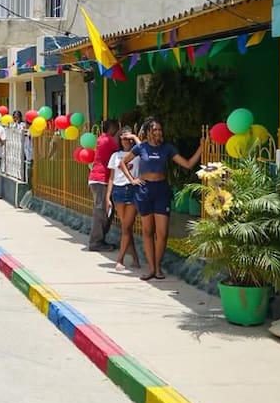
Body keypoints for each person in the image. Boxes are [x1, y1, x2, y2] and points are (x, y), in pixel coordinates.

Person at [119, 118, 204, 281]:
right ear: (149, 132)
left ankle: (158, 267)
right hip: (144, 190)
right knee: (147, 231)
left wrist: (202, 147)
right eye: (155, 129)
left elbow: (187, 164)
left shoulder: (167, 148)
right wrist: (132, 179)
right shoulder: (141, 147)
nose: (159, 132)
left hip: (161, 190)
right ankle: (151, 268)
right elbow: (123, 162)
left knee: (162, 233)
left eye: (160, 129)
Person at [105, 127, 143, 272]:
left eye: (128, 138)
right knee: (126, 227)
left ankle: (120, 259)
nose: (126, 141)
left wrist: (134, 137)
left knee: (126, 227)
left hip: (133, 190)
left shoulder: (137, 153)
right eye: (123, 138)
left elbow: (143, 149)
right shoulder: (115, 155)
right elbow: (112, 177)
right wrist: (107, 197)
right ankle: (135, 258)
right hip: (119, 190)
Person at [86, 119, 121, 252]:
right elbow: (120, 150)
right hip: (101, 180)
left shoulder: (101, 138)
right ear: (112, 128)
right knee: (101, 212)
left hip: (97, 179)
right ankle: (96, 242)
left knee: (106, 211)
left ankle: (100, 240)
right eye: (117, 128)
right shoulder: (109, 140)